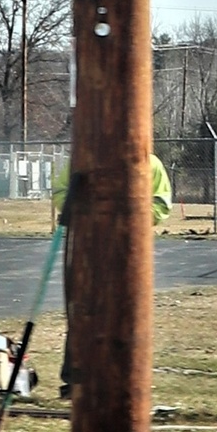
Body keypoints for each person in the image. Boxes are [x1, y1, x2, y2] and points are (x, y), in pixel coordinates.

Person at [54, 151, 172, 396]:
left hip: (128, 250)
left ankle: (121, 377)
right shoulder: (82, 160)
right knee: (83, 311)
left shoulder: (150, 164)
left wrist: (132, 218)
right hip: (88, 246)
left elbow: (161, 203)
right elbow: (61, 192)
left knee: (125, 313)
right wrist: (82, 213)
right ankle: (75, 377)